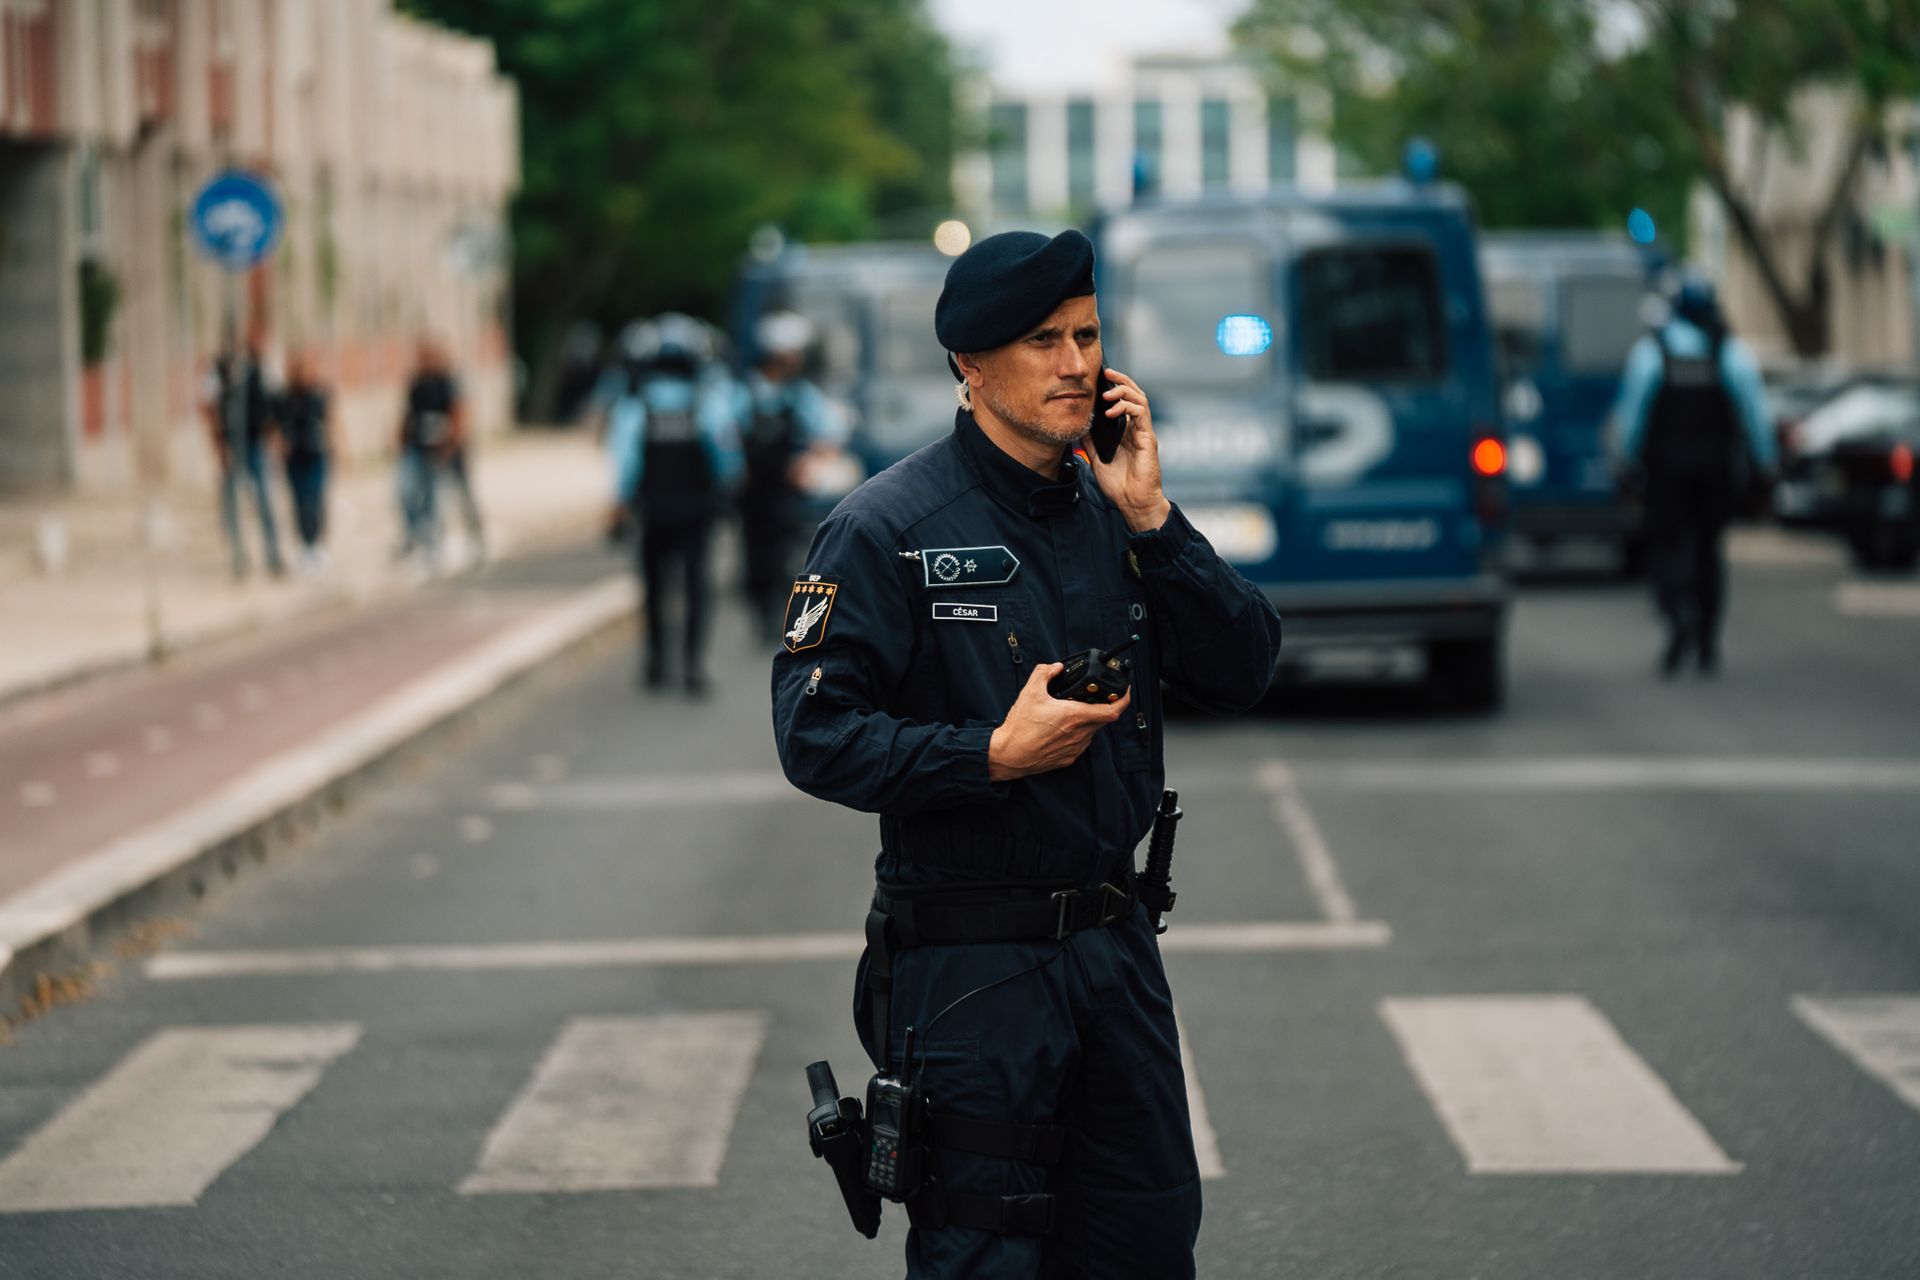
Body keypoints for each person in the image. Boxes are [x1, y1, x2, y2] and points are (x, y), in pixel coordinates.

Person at [770, 230, 1283, 1279]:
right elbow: (812, 731)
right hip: (971, 970)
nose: (1076, 363)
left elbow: (1243, 666)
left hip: (1115, 947)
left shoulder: (1117, 512)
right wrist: (991, 753)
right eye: (1044, 340)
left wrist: (1154, 516)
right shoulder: (884, 527)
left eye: (1088, 335)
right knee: (985, 1255)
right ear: (968, 363)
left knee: (1145, 1246)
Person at [1611, 275, 1775, 675]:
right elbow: (1755, 415)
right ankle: (1706, 641)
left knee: (1665, 549)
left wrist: (1624, 462)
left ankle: (1678, 617)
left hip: (1665, 473)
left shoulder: (1652, 352)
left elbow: (1631, 416)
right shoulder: (1729, 353)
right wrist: (1764, 465)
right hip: (1715, 472)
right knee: (1708, 553)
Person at [605, 313, 742, 693]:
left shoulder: (635, 408)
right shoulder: (708, 404)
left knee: (653, 588)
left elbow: (624, 466)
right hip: (697, 512)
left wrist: (616, 509)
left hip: (652, 512)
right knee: (697, 587)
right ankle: (693, 666)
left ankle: (655, 665)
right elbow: (727, 459)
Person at [738, 310, 849, 640]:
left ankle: (781, 612)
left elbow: (830, 429)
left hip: (785, 489)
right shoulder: (746, 392)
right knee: (754, 550)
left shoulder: (800, 394)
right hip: (752, 489)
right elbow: (724, 433)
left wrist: (812, 456)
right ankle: (759, 609)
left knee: (786, 549)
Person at [202, 321, 285, 579]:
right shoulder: (221, 367)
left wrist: (275, 438)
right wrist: (219, 446)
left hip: (255, 443)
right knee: (232, 503)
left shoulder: (263, 367)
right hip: (232, 444)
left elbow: (273, 405)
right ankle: (239, 556)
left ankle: (273, 554)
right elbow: (210, 408)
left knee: (263, 499)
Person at [395, 339, 479, 571]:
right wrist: (399, 441)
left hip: (447, 449)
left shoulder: (450, 382)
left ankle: (474, 536)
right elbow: (408, 415)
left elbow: (460, 415)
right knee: (410, 492)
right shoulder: (416, 383)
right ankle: (419, 540)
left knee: (460, 495)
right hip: (419, 447)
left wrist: (450, 446)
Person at [276, 350, 334, 575]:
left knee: (315, 500)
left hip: (316, 454)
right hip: (295, 457)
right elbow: (277, 427)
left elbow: (330, 421)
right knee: (299, 502)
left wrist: (335, 447)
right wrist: (280, 447)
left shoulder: (320, 394)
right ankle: (304, 545)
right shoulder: (286, 397)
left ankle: (317, 544)